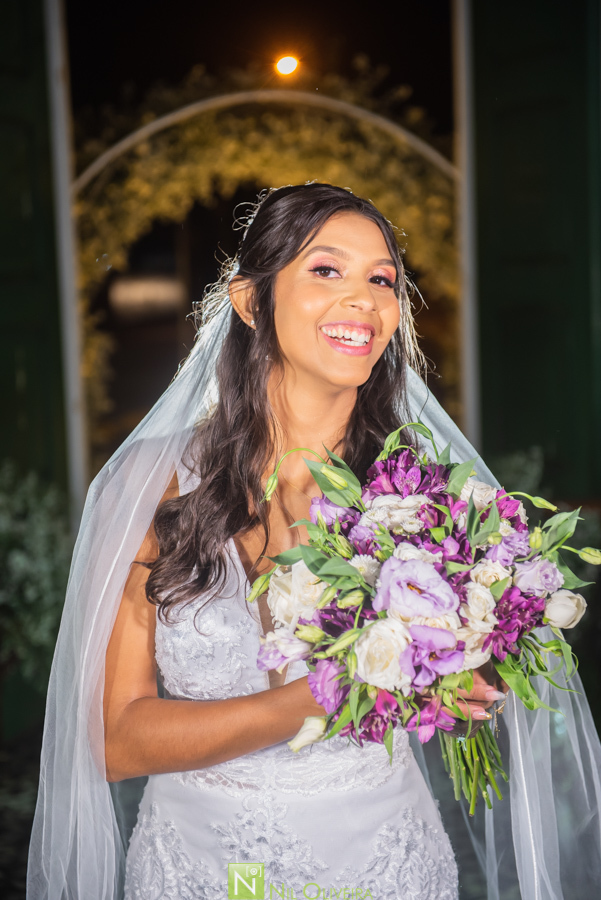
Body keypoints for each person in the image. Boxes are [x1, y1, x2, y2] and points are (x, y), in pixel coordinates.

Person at [28, 184, 601, 900]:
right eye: (325, 269)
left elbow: (465, 698)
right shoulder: (150, 487)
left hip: (384, 863)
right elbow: (115, 742)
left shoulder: (430, 505)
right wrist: (330, 696)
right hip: (200, 872)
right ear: (249, 301)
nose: (362, 299)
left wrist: (454, 683)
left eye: (381, 279)